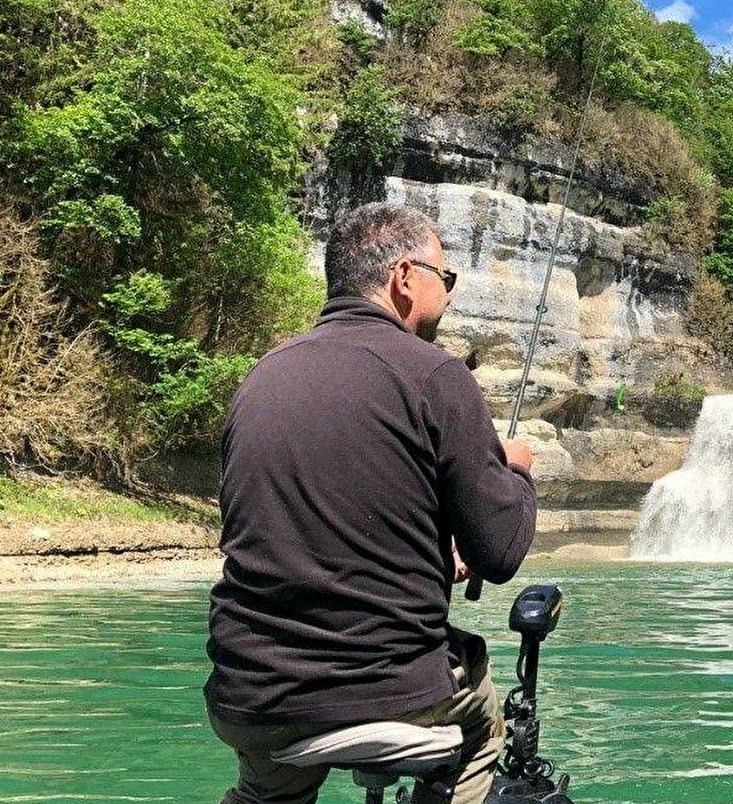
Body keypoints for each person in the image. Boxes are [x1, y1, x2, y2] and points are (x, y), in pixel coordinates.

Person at [204, 202, 538, 804]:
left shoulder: (259, 379)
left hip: (250, 692)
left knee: (267, 791)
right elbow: (501, 550)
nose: (449, 296)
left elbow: (288, 531)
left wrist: (434, 553)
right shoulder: (434, 375)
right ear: (405, 277)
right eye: (446, 278)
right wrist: (514, 471)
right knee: (484, 723)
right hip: (390, 689)